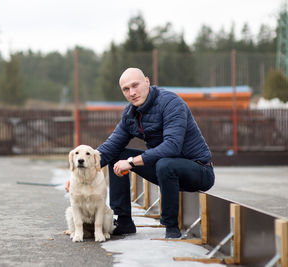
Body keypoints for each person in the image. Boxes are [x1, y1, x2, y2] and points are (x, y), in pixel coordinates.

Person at [66, 67, 215, 239]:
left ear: (147, 81)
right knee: (117, 155)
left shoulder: (171, 103)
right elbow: (109, 148)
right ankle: (124, 221)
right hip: (164, 171)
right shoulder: (130, 114)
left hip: (198, 170)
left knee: (164, 163)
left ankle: (171, 226)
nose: (132, 93)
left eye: (135, 85)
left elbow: (172, 146)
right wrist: (77, 173)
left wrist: (131, 162)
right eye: (126, 89)